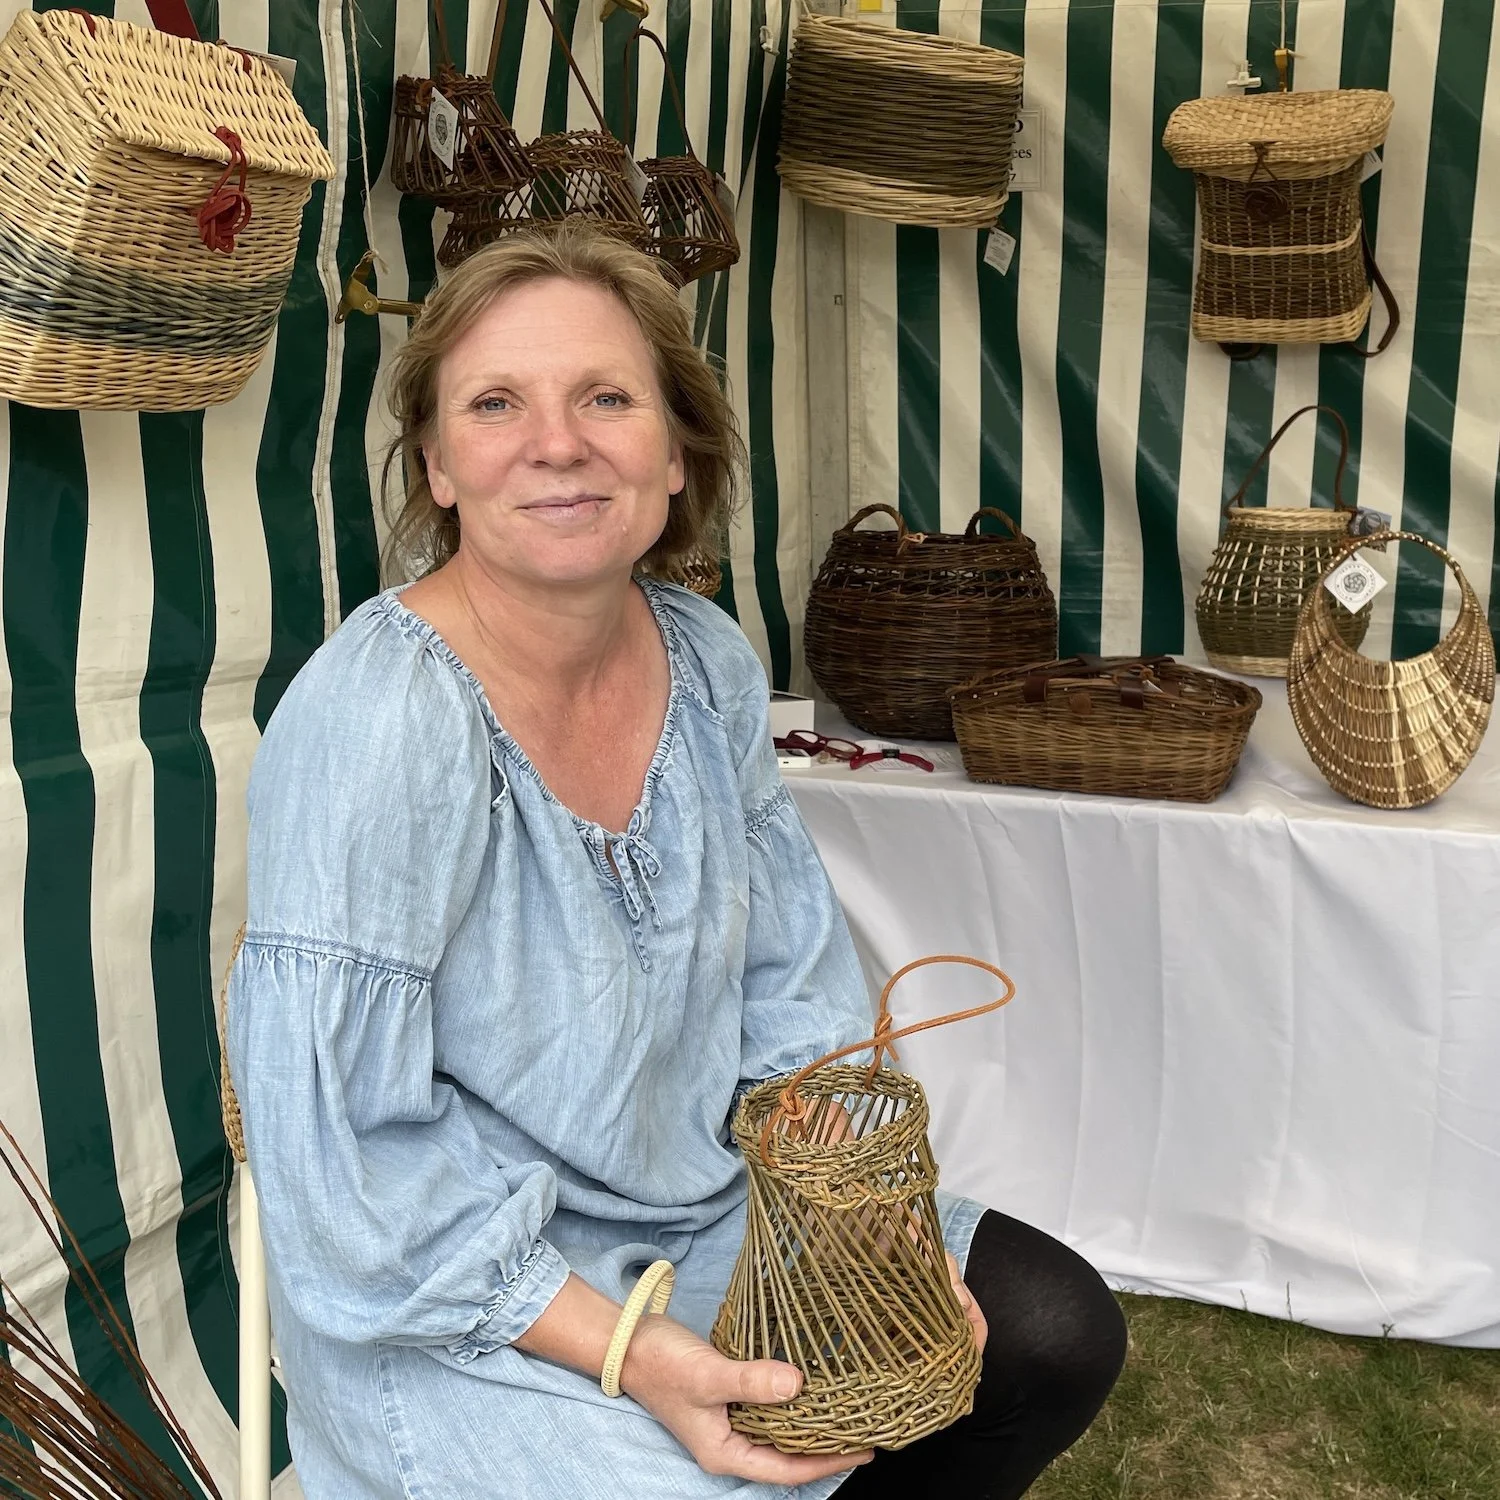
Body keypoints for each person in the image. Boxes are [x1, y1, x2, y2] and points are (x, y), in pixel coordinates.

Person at [227, 224, 1125, 1500]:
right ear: (436, 464)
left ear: (676, 450)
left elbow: (789, 985)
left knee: (1049, 1331)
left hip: (707, 1212)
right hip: (458, 1295)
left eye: (607, 397)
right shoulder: (381, 716)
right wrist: (635, 1356)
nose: (558, 443)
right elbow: (351, 1163)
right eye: (496, 403)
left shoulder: (705, 660)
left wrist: (862, 1228)